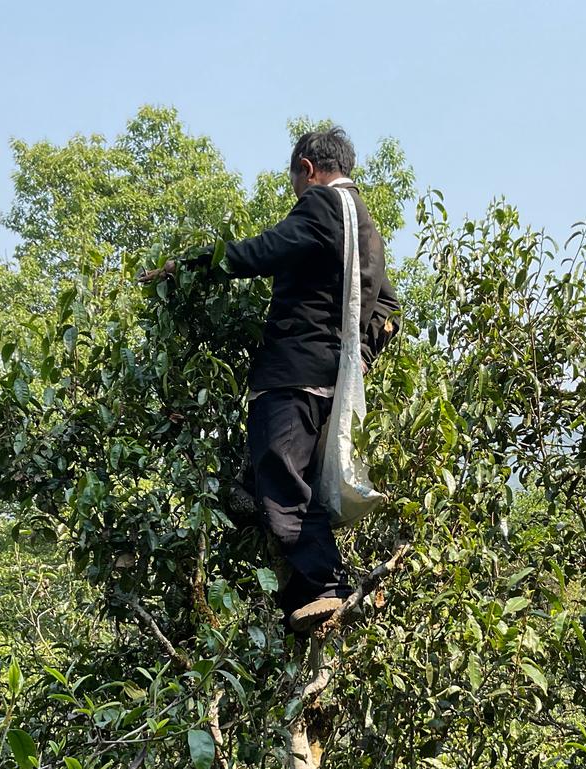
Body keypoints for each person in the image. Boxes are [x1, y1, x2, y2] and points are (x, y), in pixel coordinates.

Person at [145, 127, 398, 633]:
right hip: (330, 382)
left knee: (281, 481)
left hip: (292, 374)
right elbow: (390, 309)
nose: (294, 192)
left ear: (307, 167)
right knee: (281, 480)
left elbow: (260, 252)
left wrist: (189, 265)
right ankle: (303, 603)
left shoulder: (322, 206)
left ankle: (328, 588)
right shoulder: (366, 228)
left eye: (293, 180)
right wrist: (356, 356)